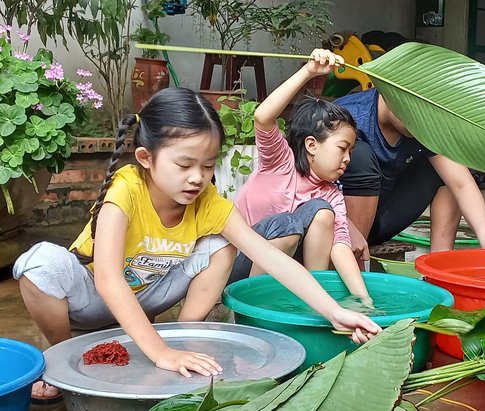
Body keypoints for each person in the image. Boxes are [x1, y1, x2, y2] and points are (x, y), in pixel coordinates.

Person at [13, 87, 380, 403]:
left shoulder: (207, 201)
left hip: (150, 295)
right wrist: (158, 354)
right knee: (40, 263)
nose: (197, 178)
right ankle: (59, 357)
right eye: (185, 164)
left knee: (223, 243)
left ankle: (186, 334)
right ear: (147, 158)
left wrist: (335, 311)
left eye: (207, 166)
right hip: (94, 297)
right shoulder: (126, 189)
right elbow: (109, 279)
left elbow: (267, 254)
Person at [231, 49, 369, 303]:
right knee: (287, 224)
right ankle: (250, 303)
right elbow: (262, 117)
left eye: (351, 150)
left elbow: (339, 246)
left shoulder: (331, 195)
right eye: (342, 148)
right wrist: (308, 72)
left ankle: (312, 302)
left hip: (288, 275)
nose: (348, 158)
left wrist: (365, 301)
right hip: (240, 267)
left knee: (322, 211)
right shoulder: (279, 162)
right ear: (311, 145)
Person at [334, 89, 485, 261]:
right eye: (414, 119)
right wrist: (346, 226)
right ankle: (354, 258)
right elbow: (311, 186)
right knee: (360, 156)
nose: (421, 127)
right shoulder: (345, 116)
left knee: (448, 168)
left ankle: (440, 262)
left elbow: (461, 184)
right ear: (389, 96)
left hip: (384, 217)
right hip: (339, 225)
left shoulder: (426, 126)